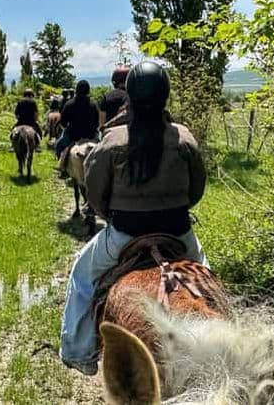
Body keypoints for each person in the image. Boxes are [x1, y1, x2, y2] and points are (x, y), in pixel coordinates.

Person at [59, 62, 209, 376]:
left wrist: (111, 216)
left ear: (130, 95)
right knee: (207, 280)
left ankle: (79, 351)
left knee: (82, 278)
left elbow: (96, 196)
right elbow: (196, 190)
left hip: (124, 236)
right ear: (166, 94)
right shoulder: (184, 138)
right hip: (179, 233)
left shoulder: (112, 140)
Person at [55, 80, 99, 160]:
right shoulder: (94, 104)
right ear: (88, 90)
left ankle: (61, 168)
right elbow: (97, 122)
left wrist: (67, 127)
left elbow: (63, 122)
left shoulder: (69, 104)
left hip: (73, 136)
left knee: (58, 146)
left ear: (76, 90)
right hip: (91, 135)